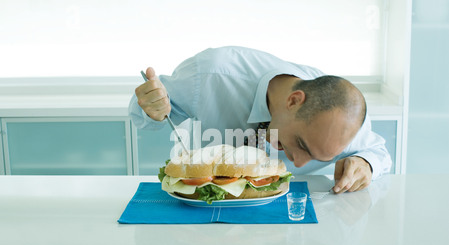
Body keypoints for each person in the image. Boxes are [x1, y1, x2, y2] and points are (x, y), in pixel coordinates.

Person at [129, 46, 391, 194]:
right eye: (301, 144)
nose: (297, 163)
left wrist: (365, 163)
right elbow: (147, 114)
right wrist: (150, 105)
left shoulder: (343, 119)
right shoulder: (211, 74)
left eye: (316, 158)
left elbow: (378, 151)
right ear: (293, 101)